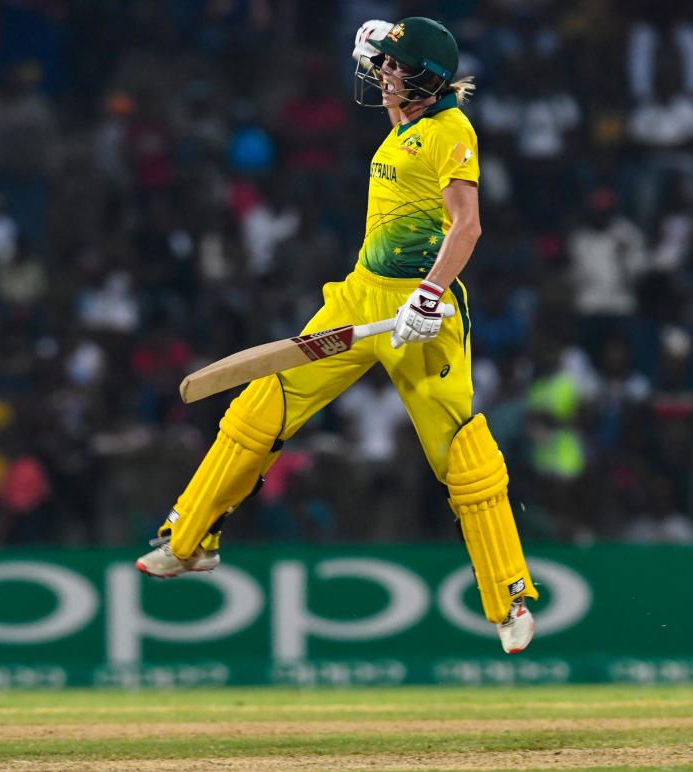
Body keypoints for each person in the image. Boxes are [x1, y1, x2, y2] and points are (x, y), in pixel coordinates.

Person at [135, 17, 538, 654]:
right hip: (359, 295)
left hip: (422, 312)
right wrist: (383, 48)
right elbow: (405, 120)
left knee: (459, 454)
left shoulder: (453, 130)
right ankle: (189, 542)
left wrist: (428, 296)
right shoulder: (405, 125)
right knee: (263, 406)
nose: (380, 75)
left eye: (392, 67)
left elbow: (467, 228)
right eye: (380, 65)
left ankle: (509, 595)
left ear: (428, 80)